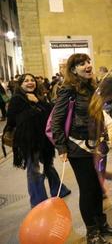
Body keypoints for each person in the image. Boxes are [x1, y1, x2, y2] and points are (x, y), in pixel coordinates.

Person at [51, 54, 112, 244]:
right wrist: (61, 147)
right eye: (81, 64)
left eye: (88, 61)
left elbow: (98, 114)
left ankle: (101, 225)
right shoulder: (68, 90)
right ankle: (92, 233)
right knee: (88, 189)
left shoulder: (93, 87)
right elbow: (57, 120)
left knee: (98, 188)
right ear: (73, 70)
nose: (87, 65)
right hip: (77, 147)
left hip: (96, 144)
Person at [6, 73, 71, 208]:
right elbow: (12, 119)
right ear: (21, 84)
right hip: (29, 140)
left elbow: (50, 113)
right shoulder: (17, 99)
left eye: (32, 80)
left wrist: (37, 102)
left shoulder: (39, 97)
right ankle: (38, 200)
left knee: (48, 164)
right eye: (26, 81)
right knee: (34, 169)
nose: (30, 83)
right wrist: (32, 107)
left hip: (43, 139)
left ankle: (58, 189)